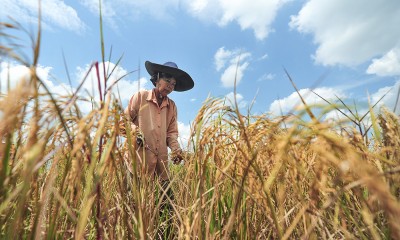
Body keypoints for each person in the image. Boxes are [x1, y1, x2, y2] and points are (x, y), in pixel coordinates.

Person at [120, 61, 194, 238]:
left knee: (167, 207)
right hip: (137, 162)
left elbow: (171, 134)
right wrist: (134, 133)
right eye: (168, 80)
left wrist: (176, 150)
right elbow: (123, 122)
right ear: (157, 78)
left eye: (174, 84)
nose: (170, 86)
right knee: (134, 206)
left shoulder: (172, 106)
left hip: (160, 165)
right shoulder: (141, 96)